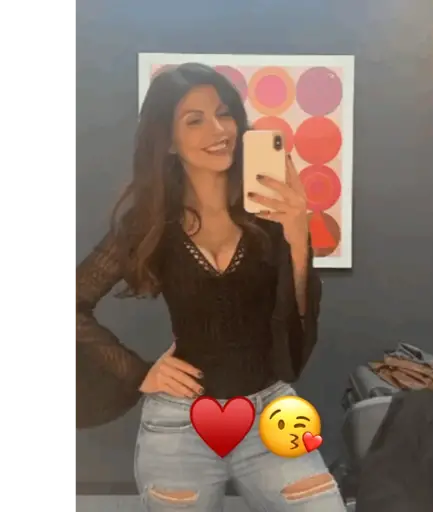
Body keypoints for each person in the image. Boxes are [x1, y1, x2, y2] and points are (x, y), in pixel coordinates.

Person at [73, 62, 346, 511]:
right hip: (179, 422)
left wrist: (299, 236)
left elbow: (299, 329)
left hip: (272, 413)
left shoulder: (272, 215)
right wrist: (140, 373)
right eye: (194, 120)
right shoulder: (149, 223)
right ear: (168, 141)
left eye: (224, 113)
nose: (219, 130)